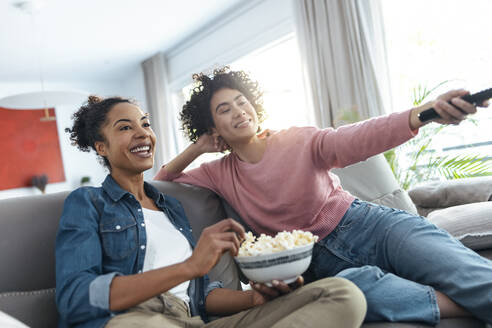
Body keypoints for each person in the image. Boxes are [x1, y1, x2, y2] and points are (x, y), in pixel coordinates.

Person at [155, 67, 492, 325]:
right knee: (356, 289)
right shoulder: (218, 173)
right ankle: (462, 305)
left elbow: (359, 137)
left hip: (372, 227)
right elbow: (163, 181)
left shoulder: (296, 139)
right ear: (212, 127)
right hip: (321, 267)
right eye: (224, 109)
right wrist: (199, 146)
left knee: (467, 274)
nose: (239, 111)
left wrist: (426, 112)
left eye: (241, 101)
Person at [55, 95, 367, 328]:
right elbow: (76, 298)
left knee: (340, 293)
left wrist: (253, 299)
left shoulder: (171, 207)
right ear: (101, 147)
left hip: (192, 321)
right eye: (125, 127)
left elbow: (201, 295)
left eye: (146, 125)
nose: (142, 133)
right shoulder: (88, 203)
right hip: (136, 319)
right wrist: (190, 265)